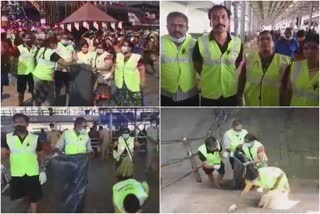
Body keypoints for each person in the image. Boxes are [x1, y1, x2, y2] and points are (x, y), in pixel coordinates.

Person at [193, 5, 243, 106]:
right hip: (209, 95)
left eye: (223, 17)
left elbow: (237, 64)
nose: (220, 21)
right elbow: (198, 66)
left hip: (230, 93)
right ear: (210, 22)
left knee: (230, 119)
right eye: (214, 18)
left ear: (229, 21)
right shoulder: (200, 42)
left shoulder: (238, 43)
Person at [1, 113, 47, 213]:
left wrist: (42, 169)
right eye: (16, 122)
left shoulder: (35, 138)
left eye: (21, 122)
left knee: (34, 197)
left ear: (27, 124)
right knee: (18, 198)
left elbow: (41, 154)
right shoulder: (7, 137)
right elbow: (3, 152)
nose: (18, 124)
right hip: (16, 173)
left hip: (32, 172)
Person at [238, 30, 291, 106]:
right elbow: (241, 82)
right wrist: (239, 101)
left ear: (273, 43)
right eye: (262, 39)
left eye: (268, 39)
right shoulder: (248, 59)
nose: (265, 41)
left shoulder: (285, 62)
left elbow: (288, 90)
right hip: (252, 108)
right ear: (258, 43)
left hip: (273, 110)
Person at [161, 12, 198, 106]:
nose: (176, 29)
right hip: (165, 94)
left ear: (187, 28)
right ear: (167, 27)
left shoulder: (195, 44)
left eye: (181, 26)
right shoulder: (161, 43)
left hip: (190, 94)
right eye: (173, 25)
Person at [32, 36, 76, 106]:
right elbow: (65, 64)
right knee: (47, 100)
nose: (57, 45)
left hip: (36, 75)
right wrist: (74, 62)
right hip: (45, 78)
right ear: (51, 44)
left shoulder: (42, 49)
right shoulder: (52, 54)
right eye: (56, 43)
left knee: (37, 96)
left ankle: (35, 108)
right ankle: (46, 113)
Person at [281, 33, 319, 106]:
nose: (309, 51)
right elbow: (288, 92)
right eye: (306, 48)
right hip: (295, 113)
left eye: (314, 48)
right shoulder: (295, 66)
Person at [114, 40, 146, 106]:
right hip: (121, 86)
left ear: (130, 48)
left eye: (125, 46)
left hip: (133, 86)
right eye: (122, 45)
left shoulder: (136, 57)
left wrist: (142, 81)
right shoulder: (119, 56)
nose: (123, 47)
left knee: (135, 105)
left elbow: (142, 68)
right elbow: (115, 65)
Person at [14, 32, 38, 106]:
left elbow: (36, 59)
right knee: (21, 90)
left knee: (33, 90)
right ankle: (20, 103)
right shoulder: (19, 48)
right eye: (27, 38)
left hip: (32, 72)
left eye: (30, 38)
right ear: (23, 39)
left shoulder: (35, 47)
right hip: (22, 72)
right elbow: (14, 59)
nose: (29, 39)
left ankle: (35, 103)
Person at [54, 32, 77, 104]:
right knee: (58, 87)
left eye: (67, 38)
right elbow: (53, 57)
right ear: (60, 38)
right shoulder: (57, 46)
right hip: (58, 70)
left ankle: (67, 103)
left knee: (68, 88)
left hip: (68, 70)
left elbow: (74, 58)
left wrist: (71, 63)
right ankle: (57, 102)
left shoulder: (71, 46)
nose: (65, 39)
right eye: (63, 38)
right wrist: (62, 64)